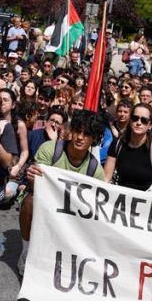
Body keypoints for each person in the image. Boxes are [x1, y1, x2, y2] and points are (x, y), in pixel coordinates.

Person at [21, 109, 107, 274]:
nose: (80, 137)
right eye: (77, 131)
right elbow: (37, 187)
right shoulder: (49, 150)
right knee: (28, 202)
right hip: (46, 205)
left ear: (94, 139)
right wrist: (33, 178)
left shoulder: (95, 170)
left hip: (73, 217)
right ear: (71, 131)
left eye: (86, 134)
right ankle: (26, 251)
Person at [104, 103, 152, 191]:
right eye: (135, 118)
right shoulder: (117, 144)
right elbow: (106, 179)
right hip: (118, 199)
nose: (138, 123)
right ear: (130, 121)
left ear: (150, 125)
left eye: (144, 120)